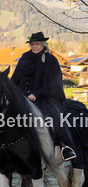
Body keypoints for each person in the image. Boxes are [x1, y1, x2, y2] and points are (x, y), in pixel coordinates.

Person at [11, 31, 76, 162]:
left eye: (37, 44)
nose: (34, 46)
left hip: (45, 97)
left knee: (55, 117)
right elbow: (15, 78)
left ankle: (66, 147)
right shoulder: (25, 58)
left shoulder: (51, 60)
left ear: (43, 45)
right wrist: (16, 93)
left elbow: (54, 82)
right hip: (23, 96)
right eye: (32, 44)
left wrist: (36, 94)